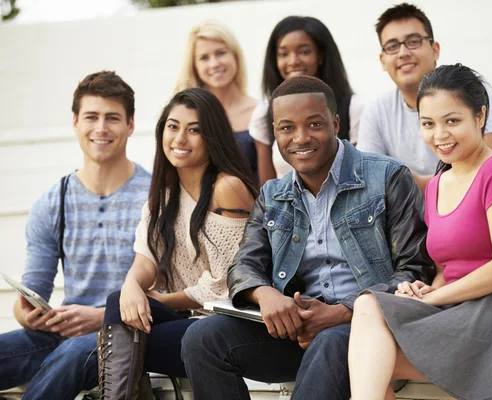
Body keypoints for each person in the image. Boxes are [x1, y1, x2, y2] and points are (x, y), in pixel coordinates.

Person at [180, 76, 435, 400]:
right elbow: (245, 264)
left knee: (330, 342)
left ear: (336, 122)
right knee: (201, 338)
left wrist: (345, 310)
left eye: (314, 124)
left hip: (370, 334)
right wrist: (266, 296)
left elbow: (415, 269)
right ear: (274, 132)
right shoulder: (273, 195)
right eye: (287, 128)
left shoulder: (387, 176)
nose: (300, 138)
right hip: (299, 333)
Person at [348, 64, 492, 400]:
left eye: (452, 121)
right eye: (428, 124)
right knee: (372, 346)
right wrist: (426, 289)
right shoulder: (437, 184)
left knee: (371, 337)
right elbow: (445, 270)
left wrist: (434, 298)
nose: (439, 135)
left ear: (480, 116)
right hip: (461, 313)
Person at [96, 87, 257, 398]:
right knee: (119, 308)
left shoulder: (227, 188)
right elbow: (145, 261)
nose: (180, 138)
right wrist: (132, 288)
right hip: (189, 322)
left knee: (109, 346)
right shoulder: (163, 195)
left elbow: (226, 284)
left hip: (227, 327)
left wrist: (154, 300)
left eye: (194, 130)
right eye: (173, 126)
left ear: (213, 137)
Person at [0, 71, 151, 399]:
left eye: (112, 118)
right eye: (91, 117)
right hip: (64, 336)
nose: (100, 128)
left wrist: (100, 316)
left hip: (129, 334)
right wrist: (28, 314)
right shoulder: (54, 201)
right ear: (75, 122)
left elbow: (173, 288)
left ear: (130, 125)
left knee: (69, 356)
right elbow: (31, 293)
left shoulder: (155, 196)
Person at [357, 3, 492, 191]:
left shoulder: (470, 87)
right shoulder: (376, 109)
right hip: (428, 217)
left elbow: (490, 171)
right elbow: (370, 180)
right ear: (382, 60)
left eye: (413, 41)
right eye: (392, 46)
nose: (403, 53)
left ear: (435, 49)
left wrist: (419, 183)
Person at [250, 16, 364, 185]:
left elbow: (359, 173)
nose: (293, 61)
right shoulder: (264, 112)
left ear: (321, 56)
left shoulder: (353, 107)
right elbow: (268, 190)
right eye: (283, 54)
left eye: (304, 52)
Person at [174, 20, 259, 182]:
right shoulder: (184, 115)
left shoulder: (260, 111)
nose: (214, 64)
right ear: (194, 66)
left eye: (221, 53)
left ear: (235, 55)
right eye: (204, 58)